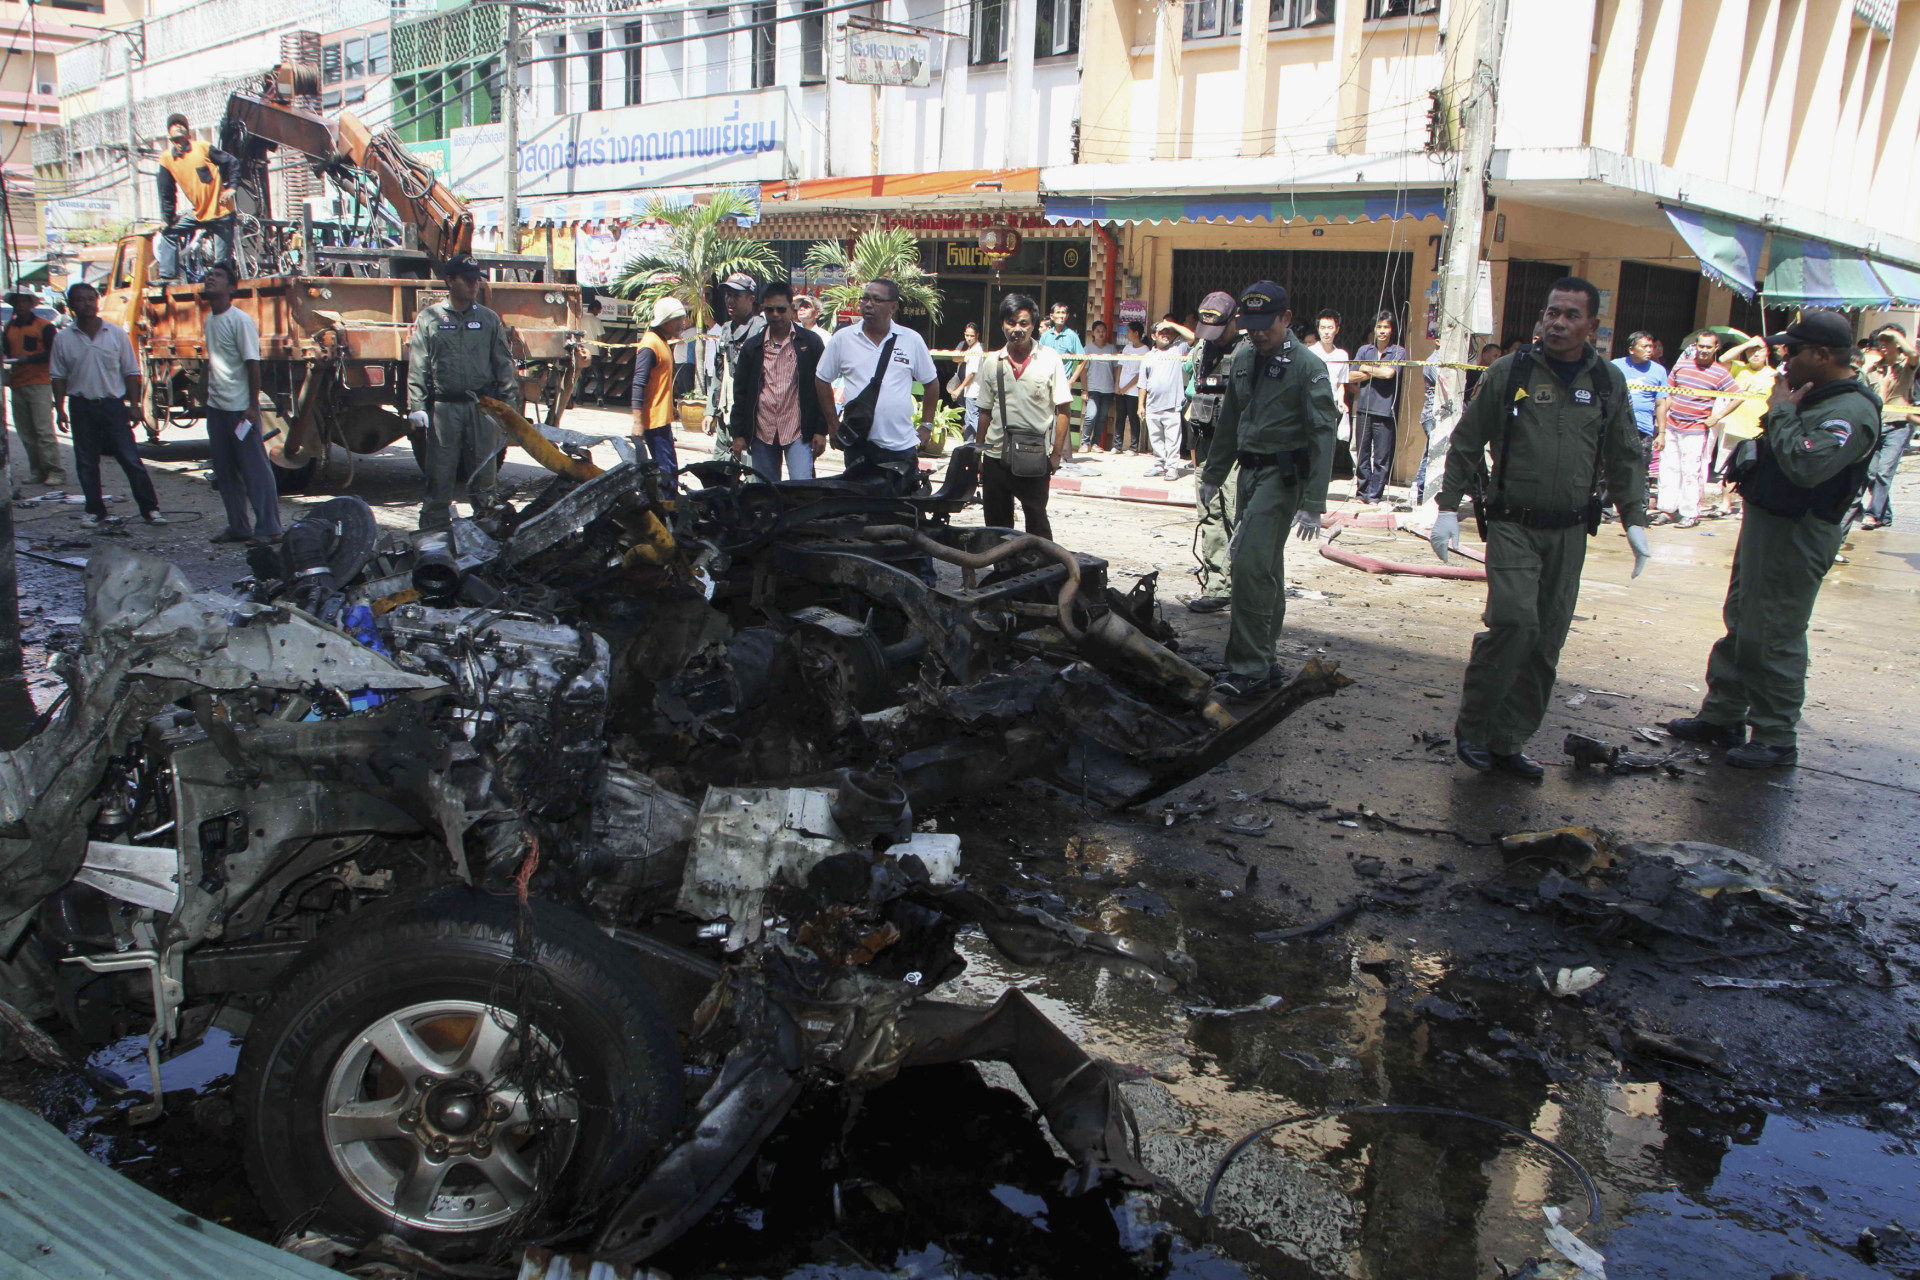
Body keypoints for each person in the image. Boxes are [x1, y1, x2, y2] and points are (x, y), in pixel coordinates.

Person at [1429, 277, 1650, 778]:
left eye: (1571, 315)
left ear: (1592, 325)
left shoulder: (1607, 382)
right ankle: (1476, 727)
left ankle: (1509, 740)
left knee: (1547, 638)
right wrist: (1446, 508)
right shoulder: (1512, 371)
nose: (1558, 322)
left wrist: (1635, 518)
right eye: (1553, 312)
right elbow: (1468, 439)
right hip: (1513, 522)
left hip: (1571, 530)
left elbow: (1624, 453)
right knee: (1513, 622)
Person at [1665, 312, 1881, 769]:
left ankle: (1776, 735)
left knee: (1776, 633)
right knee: (1742, 621)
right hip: (1767, 522)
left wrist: (1782, 409)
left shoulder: (1850, 410)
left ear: (1823, 356)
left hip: (1798, 532)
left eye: (1793, 351)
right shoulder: (1812, 395)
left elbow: (1807, 465)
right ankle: (1722, 716)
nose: (1783, 360)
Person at [1195, 282, 1338, 700]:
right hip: (1249, 473)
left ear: (1286, 319)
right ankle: (1266, 659)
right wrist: (1213, 474)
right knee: (1266, 569)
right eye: (1251, 326)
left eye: (1266, 326)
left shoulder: (1307, 366)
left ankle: (1249, 667)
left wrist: (1314, 502)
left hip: (1283, 476)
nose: (1258, 334)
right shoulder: (1242, 358)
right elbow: (1228, 424)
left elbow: (1323, 435)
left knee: (1250, 565)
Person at [404, 254, 519, 529]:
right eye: (467, 280)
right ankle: (433, 539)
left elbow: (504, 365)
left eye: (476, 280)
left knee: (484, 481)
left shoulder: (488, 320)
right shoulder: (430, 318)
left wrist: (509, 409)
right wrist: (417, 406)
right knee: (439, 478)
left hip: (482, 408)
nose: (473, 286)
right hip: (445, 409)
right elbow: (418, 364)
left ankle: (487, 538)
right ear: (450, 281)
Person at [49, 282, 165, 527]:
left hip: (112, 405)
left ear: (97, 301)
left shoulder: (115, 334)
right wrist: (59, 408)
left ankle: (150, 509)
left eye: (91, 298)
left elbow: (131, 372)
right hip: (81, 406)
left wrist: (134, 404)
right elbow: (58, 376)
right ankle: (94, 510)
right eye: (80, 299)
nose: (87, 303)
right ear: (71, 305)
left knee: (130, 459)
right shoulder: (63, 339)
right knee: (86, 461)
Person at [814, 278, 939, 488]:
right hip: (859, 445)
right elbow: (821, 379)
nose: (868, 304)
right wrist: (833, 425)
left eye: (877, 300)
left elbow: (931, 383)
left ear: (893, 306)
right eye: (865, 299)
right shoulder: (843, 338)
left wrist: (926, 425)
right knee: (860, 510)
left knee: (904, 510)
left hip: (901, 445)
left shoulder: (911, 340)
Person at [198, 264, 284, 543]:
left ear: (232, 288)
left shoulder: (240, 321)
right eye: (209, 274)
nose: (210, 277)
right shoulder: (210, 319)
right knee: (224, 470)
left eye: (218, 276)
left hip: (239, 408)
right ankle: (238, 526)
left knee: (254, 469)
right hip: (218, 407)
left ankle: (269, 527)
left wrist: (252, 405)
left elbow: (253, 364)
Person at [975, 292, 1071, 538]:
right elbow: (985, 411)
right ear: (1002, 325)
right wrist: (978, 453)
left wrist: (1056, 455)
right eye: (1011, 322)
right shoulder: (991, 362)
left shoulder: (1050, 359)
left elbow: (1063, 410)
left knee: (1037, 524)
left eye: (1023, 323)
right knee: (996, 528)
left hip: (1034, 456)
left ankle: (1041, 574)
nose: (1017, 329)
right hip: (996, 456)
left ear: (1033, 326)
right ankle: (1003, 573)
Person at [729, 281, 826, 480]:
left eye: (781, 309)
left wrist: (820, 430)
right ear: (762, 310)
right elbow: (740, 393)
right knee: (766, 495)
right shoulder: (752, 347)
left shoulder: (810, 343)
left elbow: (821, 389)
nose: (775, 315)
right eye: (769, 309)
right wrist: (738, 434)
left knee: (802, 491)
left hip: (798, 432)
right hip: (762, 431)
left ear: (792, 309)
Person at [1182, 292, 1241, 614]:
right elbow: (1195, 391)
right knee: (1210, 514)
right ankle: (1218, 584)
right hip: (1207, 444)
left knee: (1237, 515)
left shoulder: (1250, 352)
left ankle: (1243, 584)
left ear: (1235, 320)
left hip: (1238, 450)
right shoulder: (1202, 349)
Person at [1654, 330, 1736, 527]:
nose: (1704, 350)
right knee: (1668, 469)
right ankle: (1667, 510)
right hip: (1673, 427)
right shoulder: (1681, 366)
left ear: (1716, 348)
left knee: (1692, 472)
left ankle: (1690, 513)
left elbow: (1738, 396)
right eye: (1701, 346)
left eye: (1709, 347)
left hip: (1696, 430)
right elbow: (1668, 394)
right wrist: (1662, 424)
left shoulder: (1721, 372)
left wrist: (1717, 416)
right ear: (1695, 346)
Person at [154, 113, 241, 280]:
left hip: (221, 212)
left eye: (182, 124)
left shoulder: (202, 147)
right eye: (174, 124)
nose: (178, 126)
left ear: (189, 134)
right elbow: (166, 192)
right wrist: (167, 218)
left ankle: (224, 288)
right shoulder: (166, 159)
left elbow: (232, 162)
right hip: (198, 213)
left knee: (222, 264)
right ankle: (168, 277)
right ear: (169, 135)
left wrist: (232, 187)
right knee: (168, 230)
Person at [1854, 324, 1917, 529]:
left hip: (1898, 425)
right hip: (1876, 424)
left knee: (1884, 471)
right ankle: (1885, 514)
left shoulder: (1906, 365)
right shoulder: (1874, 368)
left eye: (1888, 342)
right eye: (1881, 342)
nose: (1884, 346)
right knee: (1871, 473)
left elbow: (1913, 354)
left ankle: (1874, 514)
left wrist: (1896, 336)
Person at [6, 290, 63, 486]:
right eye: (17, 302)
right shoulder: (9, 327)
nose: (20, 305)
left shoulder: (44, 326)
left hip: (39, 382)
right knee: (26, 432)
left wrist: (28, 359)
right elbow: (7, 352)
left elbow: (52, 353)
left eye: (24, 301)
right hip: (17, 382)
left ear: (31, 303)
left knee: (43, 431)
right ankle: (37, 470)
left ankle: (54, 470)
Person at [1715, 335, 1777, 516]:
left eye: (1760, 350)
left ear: (1767, 353)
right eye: (1752, 351)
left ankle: (1745, 505)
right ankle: (1725, 503)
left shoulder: (1773, 375)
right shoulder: (1739, 368)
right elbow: (1723, 359)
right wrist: (1748, 344)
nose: (1755, 354)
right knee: (1730, 468)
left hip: (1757, 430)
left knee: (1753, 469)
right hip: (1734, 426)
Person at [1349, 311, 1406, 505]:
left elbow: (1389, 373)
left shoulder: (1398, 351)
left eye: (1386, 327)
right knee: (1362, 453)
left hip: (1385, 410)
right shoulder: (1365, 350)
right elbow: (1351, 376)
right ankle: (1361, 493)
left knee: (1381, 457)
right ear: (1374, 328)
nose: (1382, 331)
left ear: (1392, 330)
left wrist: (1365, 369)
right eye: (1379, 327)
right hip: (1364, 409)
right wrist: (1373, 371)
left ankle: (1375, 496)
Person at [706, 273, 765, 457]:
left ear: (751, 299)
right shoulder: (726, 329)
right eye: (727, 295)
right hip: (726, 413)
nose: (730, 301)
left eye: (736, 296)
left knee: (753, 479)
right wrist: (710, 411)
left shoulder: (761, 329)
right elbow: (719, 372)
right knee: (719, 473)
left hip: (752, 419)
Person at [630, 295, 689, 476]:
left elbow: (660, 382)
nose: (682, 323)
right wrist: (638, 422)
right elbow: (639, 384)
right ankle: (666, 503)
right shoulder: (650, 345)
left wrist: (671, 407)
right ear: (665, 322)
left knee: (669, 468)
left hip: (662, 418)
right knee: (665, 472)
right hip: (654, 421)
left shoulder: (662, 342)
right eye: (677, 319)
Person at [1139, 320, 1192, 478]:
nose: (1165, 335)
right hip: (1152, 405)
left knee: (1172, 439)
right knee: (1156, 439)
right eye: (1161, 332)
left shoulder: (1177, 349)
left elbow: (1192, 337)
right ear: (1153, 336)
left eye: (1167, 332)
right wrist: (1140, 405)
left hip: (1172, 405)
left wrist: (1171, 324)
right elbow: (1143, 383)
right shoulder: (1148, 356)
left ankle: (1172, 468)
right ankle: (1159, 466)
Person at [1081, 320, 1117, 451]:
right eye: (1098, 331)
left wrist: (1116, 385)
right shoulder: (1088, 349)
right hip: (1093, 388)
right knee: (1091, 415)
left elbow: (1116, 368)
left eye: (1103, 331)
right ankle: (1084, 443)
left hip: (1108, 388)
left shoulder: (1111, 348)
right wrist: (1084, 389)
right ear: (1093, 333)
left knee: (1102, 417)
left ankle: (1095, 443)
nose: (1101, 334)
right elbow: (1083, 371)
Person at [1115, 321, 1149, 452]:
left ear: (1136, 333)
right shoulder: (1127, 347)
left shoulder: (1145, 350)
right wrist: (1117, 384)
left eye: (1129, 331)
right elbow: (1120, 365)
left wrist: (1126, 387)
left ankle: (1134, 447)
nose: (1127, 334)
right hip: (1121, 388)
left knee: (1133, 418)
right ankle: (1117, 445)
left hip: (1134, 390)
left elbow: (1140, 374)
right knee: (1120, 417)